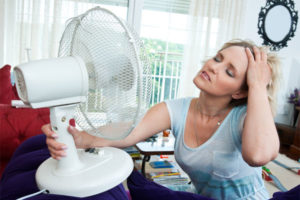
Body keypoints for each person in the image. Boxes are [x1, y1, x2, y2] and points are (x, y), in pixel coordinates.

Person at [43, 39, 281, 199]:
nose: (213, 66)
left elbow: (258, 155)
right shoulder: (179, 108)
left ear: (240, 92)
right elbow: (132, 130)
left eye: (229, 72)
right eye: (218, 58)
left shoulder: (245, 118)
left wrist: (258, 85)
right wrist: (81, 139)